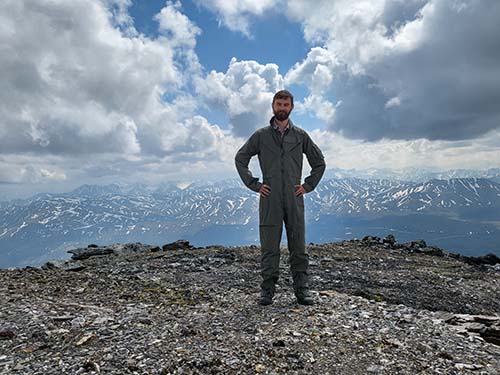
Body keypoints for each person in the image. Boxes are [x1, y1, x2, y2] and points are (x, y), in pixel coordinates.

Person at [234, 89, 326, 306]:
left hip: (294, 197)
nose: (282, 108)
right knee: (269, 247)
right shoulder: (261, 136)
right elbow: (241, 158)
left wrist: (308, 186)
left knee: (298, 247)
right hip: (270, 198)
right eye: (279, 104)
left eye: (286, 105)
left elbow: (319, 163)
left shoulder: (301, 136)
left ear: (291, 107)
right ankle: (267, 291)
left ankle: (302, 290)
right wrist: (254, 184)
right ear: (273, 106)